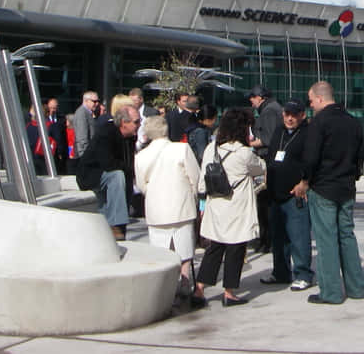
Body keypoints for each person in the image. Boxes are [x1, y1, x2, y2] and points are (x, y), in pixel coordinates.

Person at [292, 81, 364, 305]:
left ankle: (331, 292)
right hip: (346, 187)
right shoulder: (353, 122)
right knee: (347, 235)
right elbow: (359, 157)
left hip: (324, 188)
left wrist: (305, 181)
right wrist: (352, 178)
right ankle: (356, 288)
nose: (310, 104)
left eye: (311, 100)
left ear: (321, 98)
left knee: (326, 240)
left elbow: (311, 158)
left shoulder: (318, 123)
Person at [192, 108, 266, 307]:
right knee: (236, 248)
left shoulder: (211, 148)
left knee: (214, 248)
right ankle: (229, 292)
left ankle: (199, 288)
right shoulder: (244, 153)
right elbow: (260, 168)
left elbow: (202, 180)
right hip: (237, 206)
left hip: (216, 204)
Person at [134, 115, 201, 299]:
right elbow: (195, 177)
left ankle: (163, 287)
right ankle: (185, 281)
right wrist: (192, 195)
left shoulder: (141, 156)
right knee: (185, 249)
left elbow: (141, 185)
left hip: (156, 209)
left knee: (159, 251)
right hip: (181, 205)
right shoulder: (182, 149)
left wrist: (154, 193)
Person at [261, 99, 314, 292]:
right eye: (287, 114)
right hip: (275, 192)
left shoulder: (307, 134)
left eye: (294, 115)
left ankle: (303, 274)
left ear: (302, 115)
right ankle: (281, 272)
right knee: (278, 236)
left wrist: (305, 182)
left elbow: (311, 161)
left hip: (295, 194)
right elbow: (270, 156)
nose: (290, 118)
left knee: (298, 236)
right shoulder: (278, 131)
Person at [76, 104, 140, 240]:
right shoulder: (106, 133)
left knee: (122, 178)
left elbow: (128, 166)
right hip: (91, 175)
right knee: (117, 175)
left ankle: (119, 228)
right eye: (136, 122)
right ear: (124, 122)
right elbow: (108, 164)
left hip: (112, 176)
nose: (139, 125)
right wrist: (128, 169)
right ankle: (115, 224)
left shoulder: (130, 137)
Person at [248, 85, 283, 254]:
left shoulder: (269, 111)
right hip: (271, 161)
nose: (251, 100)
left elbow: (267, 139)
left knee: (264, 204)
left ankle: (266, 240)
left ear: (260, 97)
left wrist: (248, 144)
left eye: (253, 97)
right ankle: (266, 240)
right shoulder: (273, 108)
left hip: (267, 161)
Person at [72, 91, 100, 162]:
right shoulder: (82, 113)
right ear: (86, 101)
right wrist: (86, 157)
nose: (97, 104)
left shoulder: (88, 113)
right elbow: (82, 138)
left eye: (98, 101)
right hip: (84, 156)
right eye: (94, 101)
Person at [44, 98, 68, 175]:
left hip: (59, 149)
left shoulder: (61, 118)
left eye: (55, 108)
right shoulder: (44, 119)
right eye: (51, 108)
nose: (53, 110)